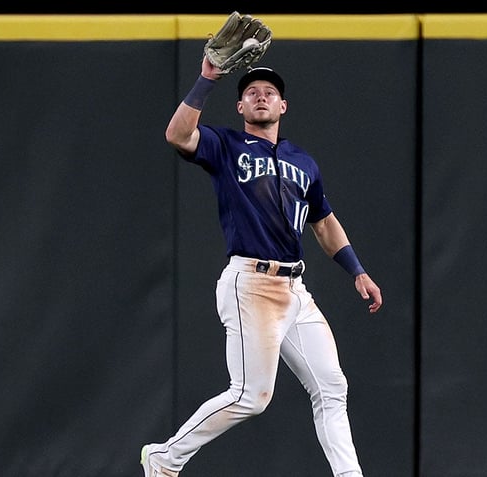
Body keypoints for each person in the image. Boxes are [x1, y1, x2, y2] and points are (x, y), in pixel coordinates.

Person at [141, 56, 383, 477]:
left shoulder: (303, 162)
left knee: (331, 387)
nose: (261, 96)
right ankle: (165, 458)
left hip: (296, 290)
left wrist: (357, 270)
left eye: (269, 92)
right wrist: (207, 79)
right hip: (251, 283)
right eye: (251, 92)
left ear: (283, 106)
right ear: (241, 107)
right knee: (250, 395)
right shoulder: (226, 146)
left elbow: (323, 222)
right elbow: (177, 134)